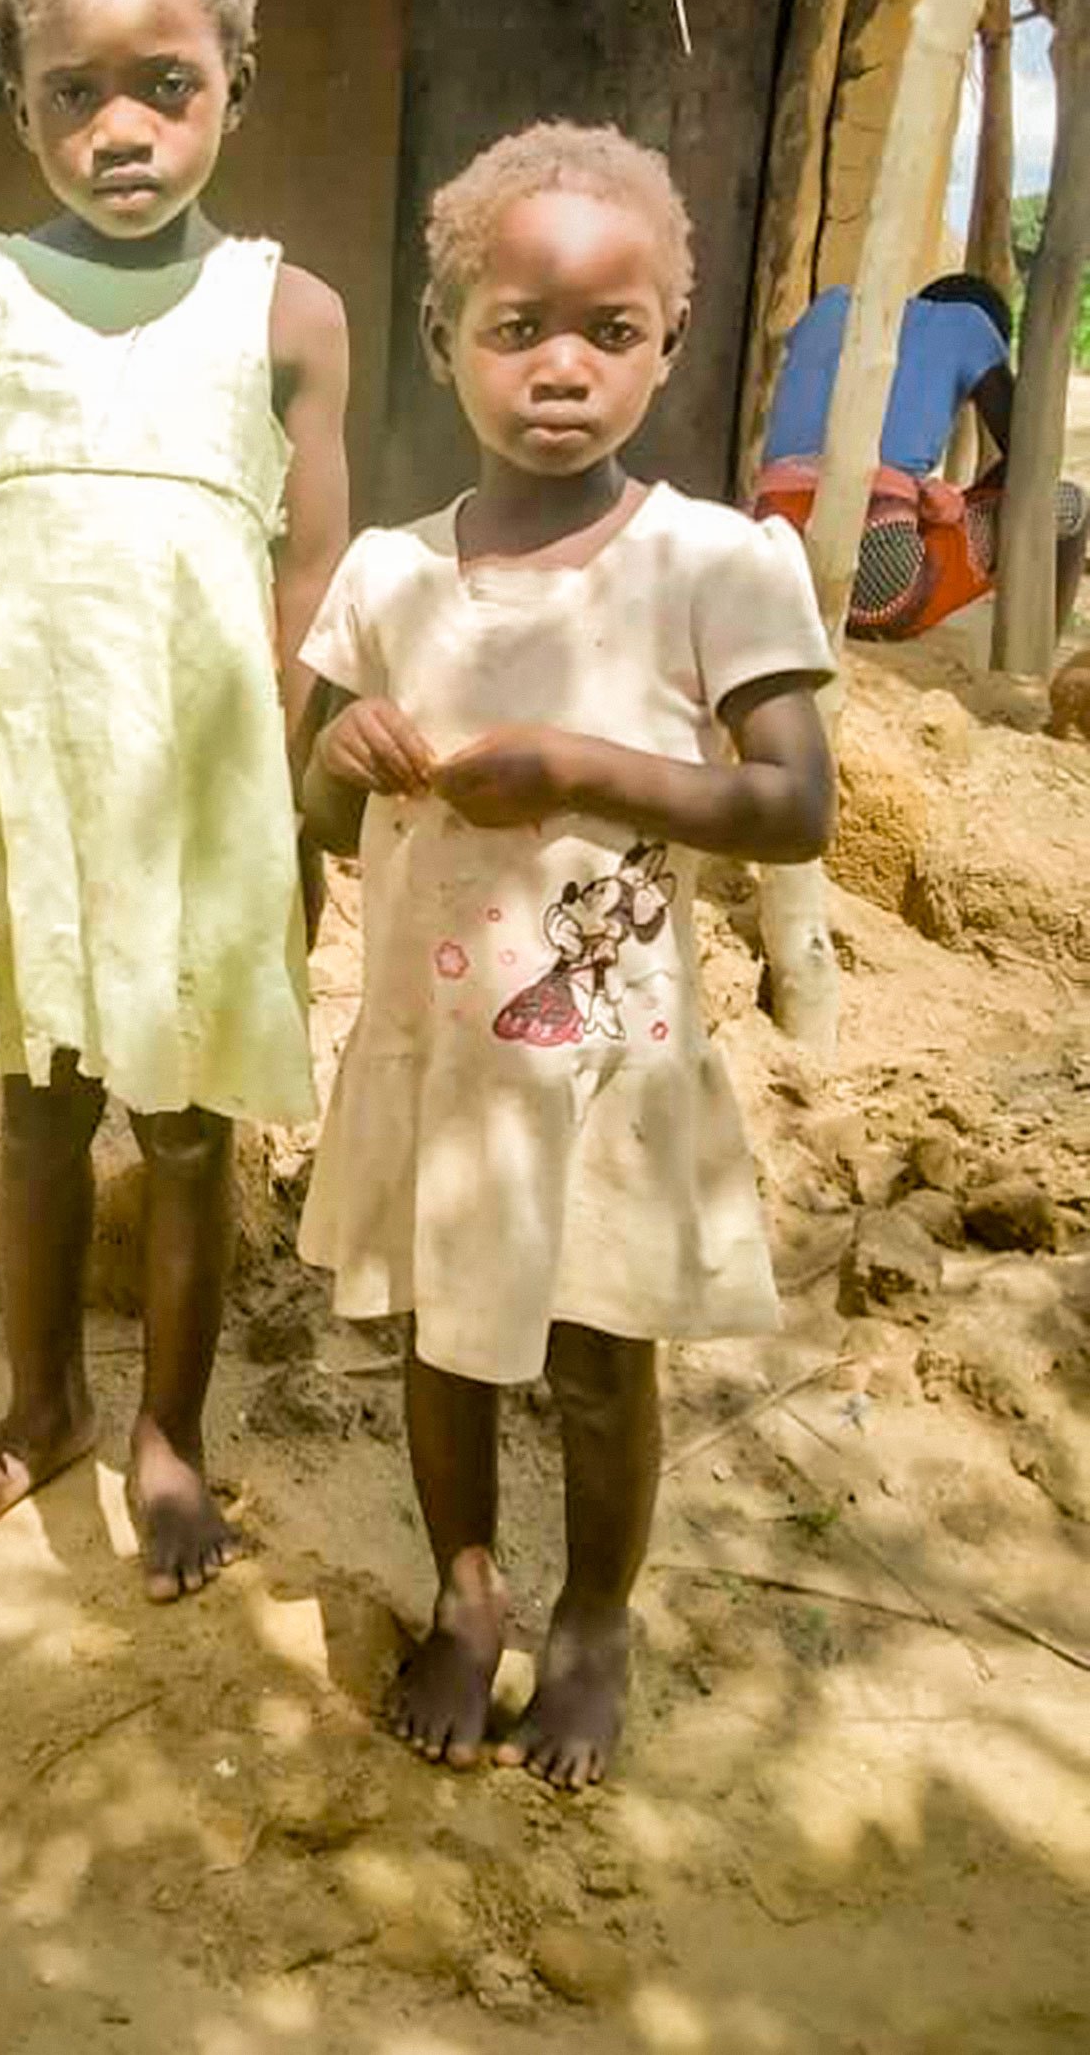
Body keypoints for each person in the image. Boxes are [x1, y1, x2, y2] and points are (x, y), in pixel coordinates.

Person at [0, 0, 350, 1601]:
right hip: (26, 774)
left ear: (233, 91)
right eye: (76, 97)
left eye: (166, 89)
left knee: (187, 1121)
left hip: (199, 789)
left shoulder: (288, 313)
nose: (122, 129)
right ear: (25, 106)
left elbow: (313, 571)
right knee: (39, 1106)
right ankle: (39, 1401)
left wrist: (296, 805)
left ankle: (170, 1432)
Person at [297, 123, 835, 1790]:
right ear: (446, 336)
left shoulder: (717, 562)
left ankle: (595, 1620)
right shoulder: (390, 571)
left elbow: (793, 804)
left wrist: (581, 770)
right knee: (441, 1341)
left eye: (610, 332)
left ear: (669, 343)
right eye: (515, 325)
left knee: (602, 1355)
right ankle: (468, 1593)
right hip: (442, 1060)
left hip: (605, 1067)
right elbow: (322, 805)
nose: (560, 369)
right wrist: (359, 742)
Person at [754, 273, 1088, 640]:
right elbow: (1031, 460)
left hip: (767, 554)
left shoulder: (831, 304)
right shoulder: (971, 325)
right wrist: (967, 502)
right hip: (875, 577)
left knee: (913, 510)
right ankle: (1041, 649)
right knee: (1070, 503)